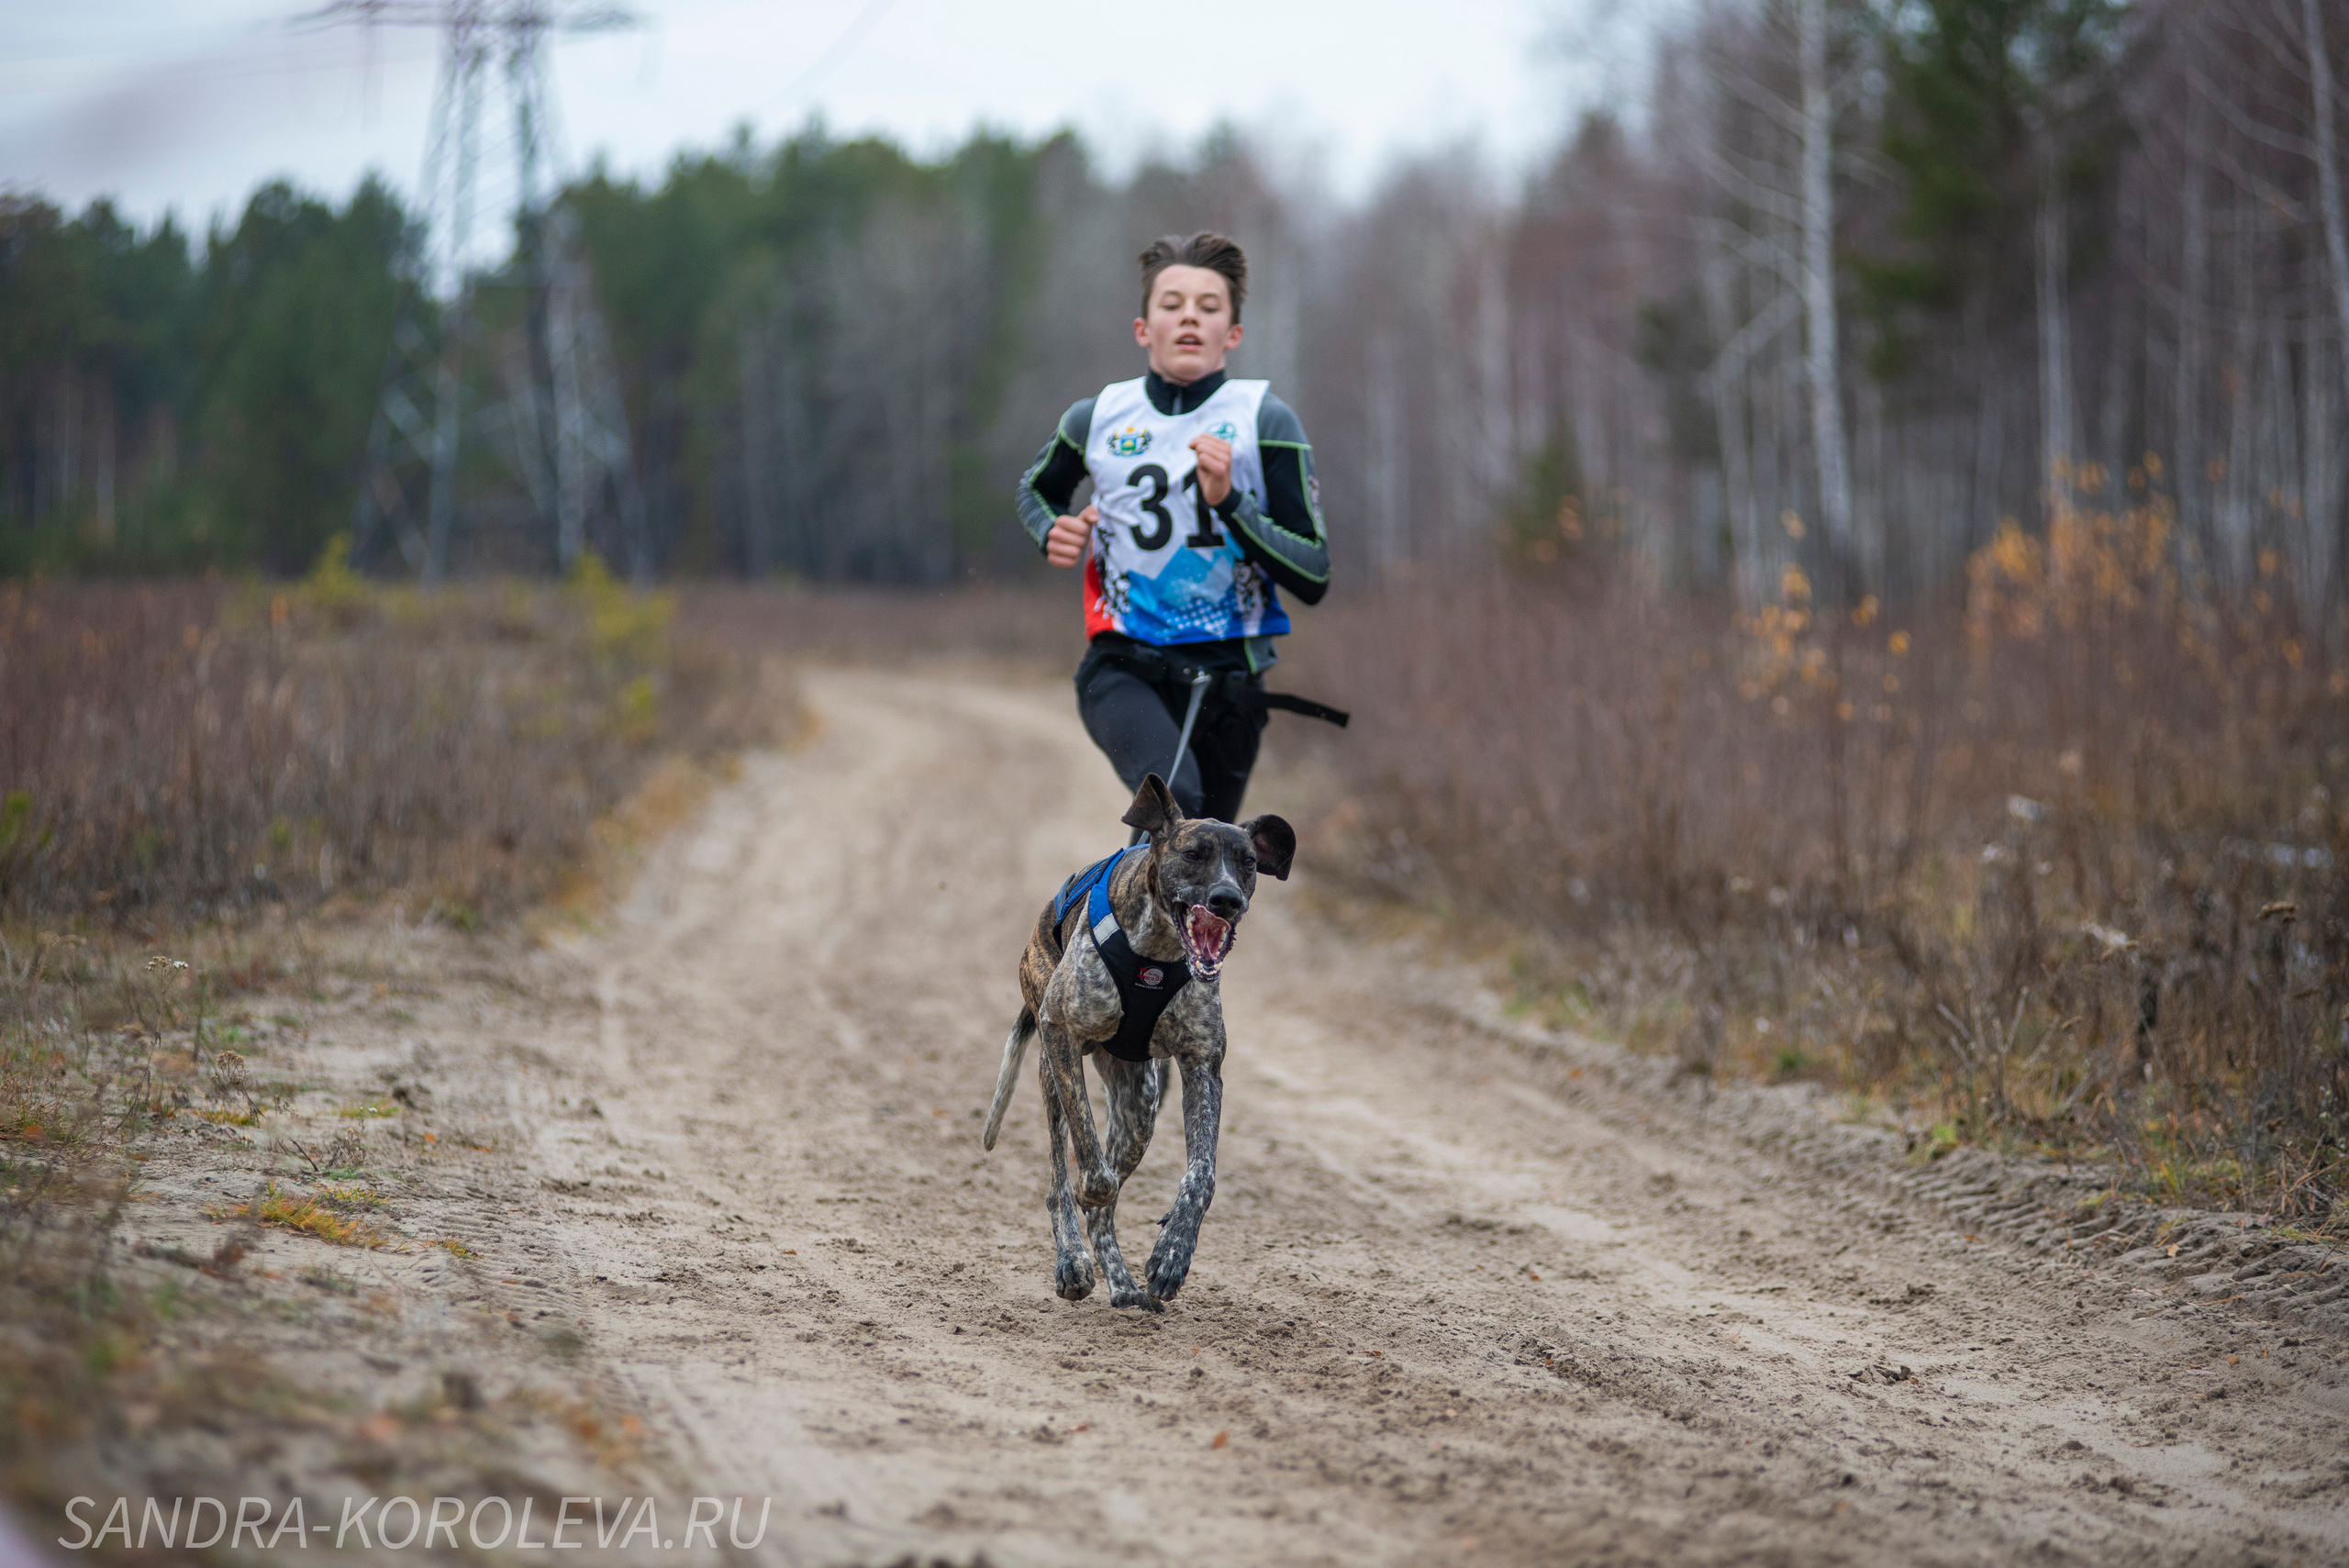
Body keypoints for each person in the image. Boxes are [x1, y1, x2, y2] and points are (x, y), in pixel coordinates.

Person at [1016, 231, 1335, 824]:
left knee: (1206, 868)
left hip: (1232, 683)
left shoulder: (1265, 420)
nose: (1190, 315)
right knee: (1177, 810)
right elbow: (1036, 490)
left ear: (1232, 334)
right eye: (1172, 303)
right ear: (1144, 328)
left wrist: (1231, 501)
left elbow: (1314, 573)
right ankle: (1094, 919)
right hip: (1123, 665)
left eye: (1208, 306)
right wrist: (1051, 528)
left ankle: (1127, 917)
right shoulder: (1098, 417)